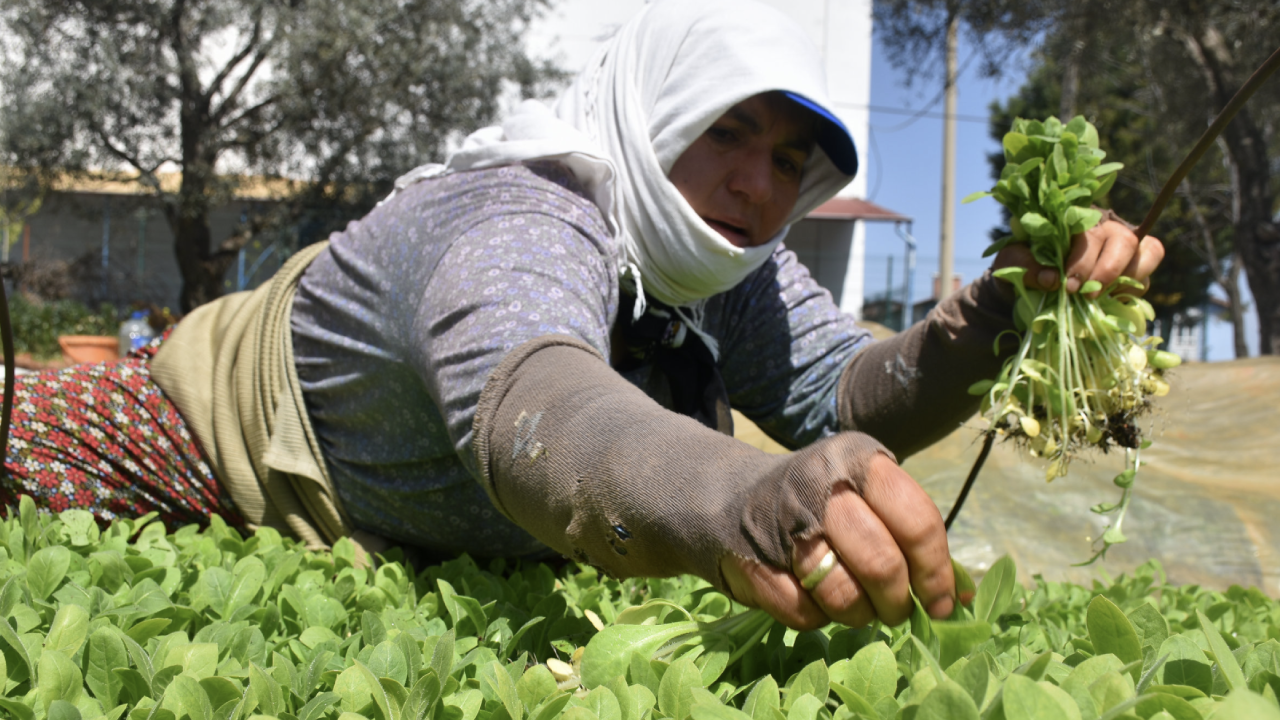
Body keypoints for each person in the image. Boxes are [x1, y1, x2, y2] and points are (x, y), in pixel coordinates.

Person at [0, 0, 1163, 631]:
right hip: (219, 437)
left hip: (415, 527)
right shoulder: (519, 215)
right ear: (653, 116)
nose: (756, 186)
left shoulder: (724, 270)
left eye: (787, 159)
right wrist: (736, 499)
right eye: (725, 133)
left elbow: (845, 393)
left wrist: (1001, 313)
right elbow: (538, 403)